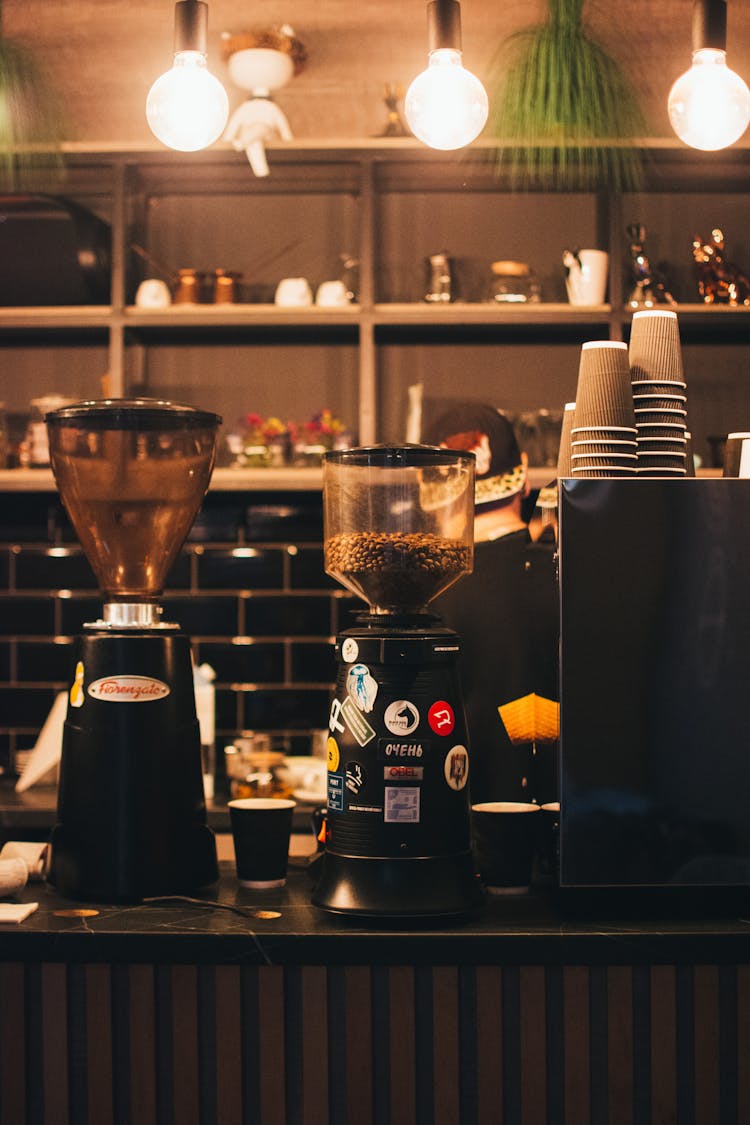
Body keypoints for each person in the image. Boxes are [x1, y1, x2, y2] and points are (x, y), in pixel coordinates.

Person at [426, 402, 559, 806]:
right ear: (522, 480)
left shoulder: (426, 592)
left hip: (465, 836)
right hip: (575, 834)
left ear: (431, 497)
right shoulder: (573, 570)